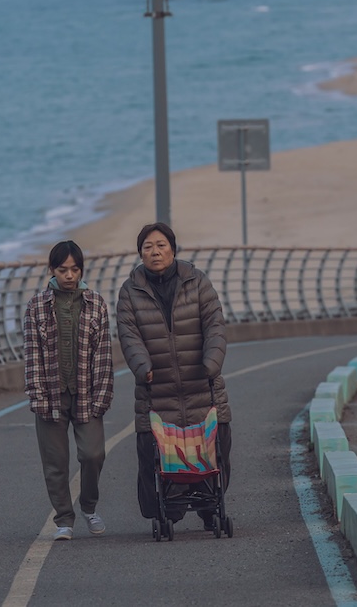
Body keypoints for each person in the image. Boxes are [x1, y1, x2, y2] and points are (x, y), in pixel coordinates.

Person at [116, 222, 232, 529]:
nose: (155, 252)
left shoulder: (197, 282)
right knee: (151, 454)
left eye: (161, 245)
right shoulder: (130, 291)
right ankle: (168, 509)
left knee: (218, 447)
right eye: (147, 248)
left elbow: (215, 325)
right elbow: (128, 335)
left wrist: (212, 361)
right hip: (157, 391)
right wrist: (143, 368)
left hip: (202, 387)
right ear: (140, 254)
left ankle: (210, 508)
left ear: (173, 249)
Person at [23, 240, 113, 541]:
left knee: (93, 454)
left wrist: (102, 395)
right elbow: (32, 353)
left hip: (88, 394)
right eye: (63, 269)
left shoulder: (96, 303)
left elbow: (103, 353)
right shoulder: (36, 306)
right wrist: (37, 395)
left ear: (82, 271)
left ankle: (89, 506)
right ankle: (64, 519)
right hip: (50, 395)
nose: (69, 275)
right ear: (52, 270)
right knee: (55, 462)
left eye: (75, 269)